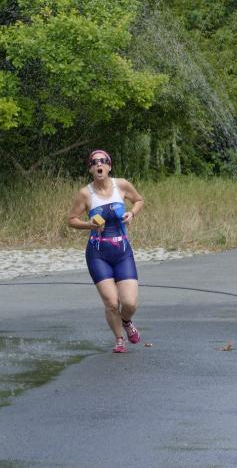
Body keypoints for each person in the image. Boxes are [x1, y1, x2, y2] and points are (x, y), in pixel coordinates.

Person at [67, 150, 145, 353]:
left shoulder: (122, 185)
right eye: (94, 162)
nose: (98, 164)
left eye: (103, 161)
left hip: (122, 251)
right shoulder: (85, 194)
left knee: (129, 303)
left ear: (109, 166)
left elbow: (139, 200)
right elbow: (71, 220)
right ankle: (119, 339)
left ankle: (126, 321)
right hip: (98, 254)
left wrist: (132, 213)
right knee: (111, 302)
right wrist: (89, 225)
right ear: (90, 169)